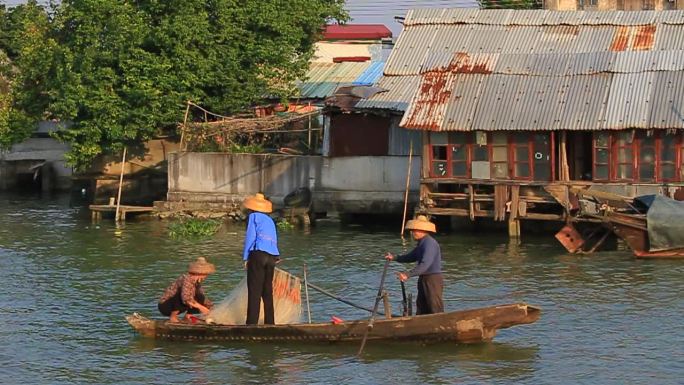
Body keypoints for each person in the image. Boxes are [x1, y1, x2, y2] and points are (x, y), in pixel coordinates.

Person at [385, 215, 444, 315]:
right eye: (413, 230)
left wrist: (407, 274)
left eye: (415, 230)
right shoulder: (422, 243)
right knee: (422, 307)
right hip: (424, 278)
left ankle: (440, 327)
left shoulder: (429, 243)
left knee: (434, 307)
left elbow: (425, 265)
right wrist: (394, 258)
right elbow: (411, 257)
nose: (413, 233)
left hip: (432, 279)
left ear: (423, 230)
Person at [242, 193, 280, 325]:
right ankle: (270, 323)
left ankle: (251, 324)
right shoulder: (270, 221)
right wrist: (276, 257)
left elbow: (250, 238)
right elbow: (274, 240)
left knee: (254, 291)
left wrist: (246, 257)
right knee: (267, 292)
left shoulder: (253, 216)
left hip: (258, 254)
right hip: (271, 257)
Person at [158, 257, 215, 322]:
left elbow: (203, 299)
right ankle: (173, 317)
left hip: (179, 306)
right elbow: (186, 298)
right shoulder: (186, 279)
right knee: (183, 296)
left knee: (200, 296)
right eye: (205, 274)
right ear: (199, 273)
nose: (206, 276)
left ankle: (187, 316)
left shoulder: (197, 283)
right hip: (166, 306)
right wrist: (202, 308)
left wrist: (211, 308)